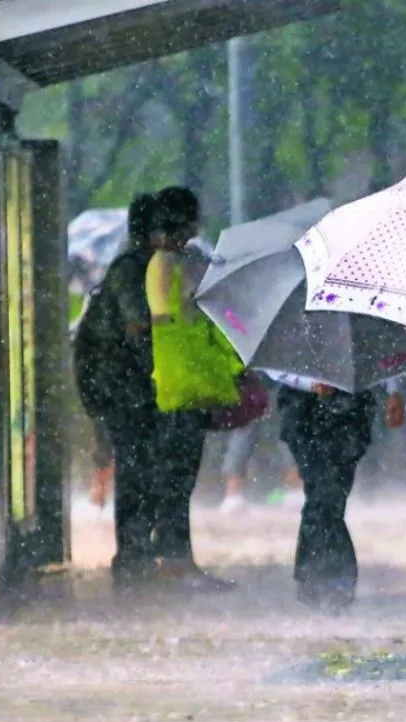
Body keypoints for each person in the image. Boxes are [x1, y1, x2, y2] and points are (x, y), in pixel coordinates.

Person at [144, 186, 233, 591]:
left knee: (182, 477)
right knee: (176, 478)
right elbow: (165, 317)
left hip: (187, 384)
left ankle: (178, 559)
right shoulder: (165, 265)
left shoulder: (180, 262)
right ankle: (173, 561)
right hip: (179, 384)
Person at [73, 192, 161, 588]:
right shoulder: (132, 269)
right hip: (123, 387)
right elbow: (136, 325)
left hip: (128, 384)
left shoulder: (141, 266)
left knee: (141, 468)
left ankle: (139, 549)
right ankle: (133, 553)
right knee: (135, 468)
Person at [268, 371, 405, 611]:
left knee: (329, 495)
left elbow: (381, 353)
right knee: (322, 494)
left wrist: (394, 389)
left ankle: (318, 578)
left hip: (350, 409)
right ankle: (330, 578)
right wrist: (308, 383)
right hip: (302, 412)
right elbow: (276, 365)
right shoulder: (290, 335)